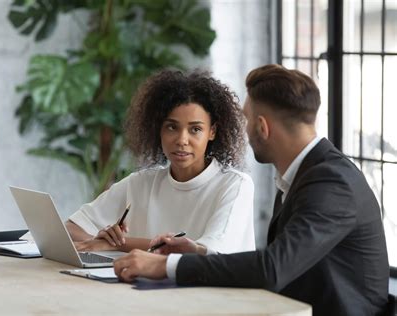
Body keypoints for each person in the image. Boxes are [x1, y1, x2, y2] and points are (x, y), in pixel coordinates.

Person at [113, 64, 390, 316]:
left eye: (246, 120)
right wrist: (198, 252)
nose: (243, 131)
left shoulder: (331, 182)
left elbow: (272, 268)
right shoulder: (303, 174)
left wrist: (163, 266)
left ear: (262, 126)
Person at [66, 69, 255, 255]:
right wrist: (101, 239)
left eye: (195, 129)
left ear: (212, 132)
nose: (182, 140)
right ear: (159, 130)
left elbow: (201, 253)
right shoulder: (141, 183)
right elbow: (70, 228)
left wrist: (118, 244)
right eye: (172, 127)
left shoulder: (235, 185)